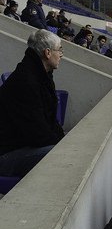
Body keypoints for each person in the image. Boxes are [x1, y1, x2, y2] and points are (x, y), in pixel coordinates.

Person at [0, 28, 64, 176]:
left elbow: (49, 121)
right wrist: (64, 144)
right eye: (59, 50)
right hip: (7, 154)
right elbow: (38, 134)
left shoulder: (42, 74)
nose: (61, 54)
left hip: (22, 146)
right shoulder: (26, 81)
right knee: (63, 154)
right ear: (47, 53)